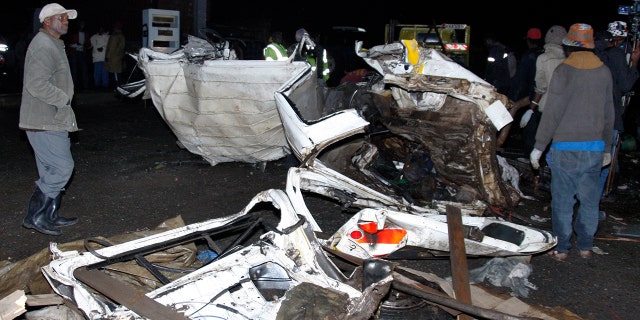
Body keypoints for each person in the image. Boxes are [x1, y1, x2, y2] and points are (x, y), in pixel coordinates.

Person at [530, 23, 614, 261]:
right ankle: (585, 246)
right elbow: (609, 114)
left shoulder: (564, 71)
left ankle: (562, 248)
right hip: (595, 148)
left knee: (563, 201)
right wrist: (607, 147)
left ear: (568, 45)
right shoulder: (604, 72)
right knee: (589, 201)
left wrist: (538, 146)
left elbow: (553, 112)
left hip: (565, 148)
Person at [19, 3, 80, 236]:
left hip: (50, 117)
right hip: (45, 118)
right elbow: (36, 83)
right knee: (63, 167)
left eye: (66, 18)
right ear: (47, 21)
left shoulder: (53, 43)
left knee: (49, 169)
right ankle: (34, 216)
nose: (65, 21)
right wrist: (63, 99)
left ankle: (49, 215)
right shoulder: (43, 45)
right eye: (61, 18)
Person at [594, 21, 640, 211]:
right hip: (609, 116)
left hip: (588, 115)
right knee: (605, 163)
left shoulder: (593, 54)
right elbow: (626, 85)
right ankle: (593, 205)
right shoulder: (616, 55)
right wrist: (634, 63)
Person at [521, 25, 567, 171]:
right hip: (565, 110)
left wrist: (531, 108)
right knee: (557, 144)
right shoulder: (569, 59)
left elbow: (541, 87)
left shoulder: (543, 58)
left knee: (539, 142)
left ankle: (539, 172)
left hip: (546, 108)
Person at [67, 20, 91, 91]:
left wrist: (85, 46)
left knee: (84, 70)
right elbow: (69, 44)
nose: (82, 26)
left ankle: (85, 87)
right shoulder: (74, 34)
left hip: (82, 53)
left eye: (83, 24)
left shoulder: (85, 34)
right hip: (74, 53)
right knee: (74, 71)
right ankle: (74, 87)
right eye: (81, 24)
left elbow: (88, 44)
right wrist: (76, 45)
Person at [105, 21, 125, 87]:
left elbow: (112, 47)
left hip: (113, 57)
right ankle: (118, 86)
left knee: (114, 72)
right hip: (119, 56)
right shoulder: (121, 36)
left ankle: (116, 86)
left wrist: (107, 56)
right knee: (118, 72)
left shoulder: (114, 36)